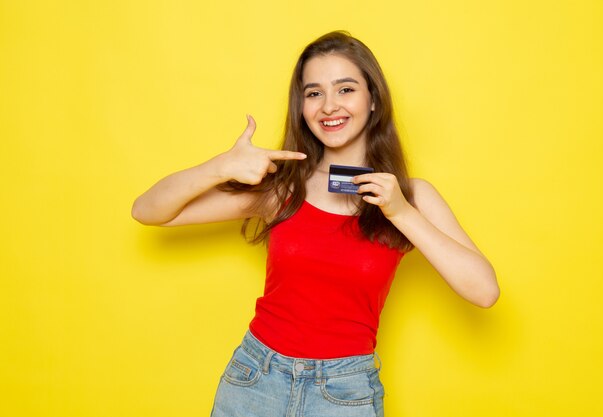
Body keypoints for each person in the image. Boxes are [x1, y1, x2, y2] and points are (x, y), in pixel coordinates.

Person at [132, 31, 499, 417]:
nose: (328, 106)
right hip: (256, 379)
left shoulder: (411, 197)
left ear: (373, 99)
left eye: (345, 89)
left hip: (345, 391)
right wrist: (218, 167)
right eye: (313, 93)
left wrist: (401, 213)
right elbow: (149, 211)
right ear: (302, 107)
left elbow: (484, 291)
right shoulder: (282, 188)